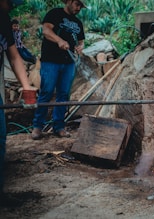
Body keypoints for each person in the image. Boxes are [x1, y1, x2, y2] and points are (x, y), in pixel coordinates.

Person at [31, 0, 86, 140]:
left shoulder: (78, 23)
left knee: (63, 94)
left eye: (81, 6)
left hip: (69, 63)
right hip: (51, 61)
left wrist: (80, 47)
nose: (79, 8)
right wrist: (59, 40)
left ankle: (59, 126)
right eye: (77, 4)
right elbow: (46, 30)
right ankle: (37, 127)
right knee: (47, 92)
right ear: (69, 1)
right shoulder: (55, 14)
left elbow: (81, 41)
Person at [0, 0, 37, 205]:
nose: (14, 4)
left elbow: (14, 57)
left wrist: (26, 87)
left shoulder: (4, 20)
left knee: (0, 138)